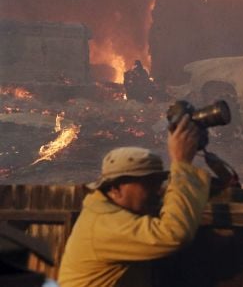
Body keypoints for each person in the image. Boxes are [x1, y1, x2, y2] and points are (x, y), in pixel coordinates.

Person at [57, 115, 211, 287]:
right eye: (148, 184)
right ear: (115, 188)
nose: (157, 191)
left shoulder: (110, 214)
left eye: (158, 183)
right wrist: (181, 163)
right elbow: (173, 235)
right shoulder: (106, 224)